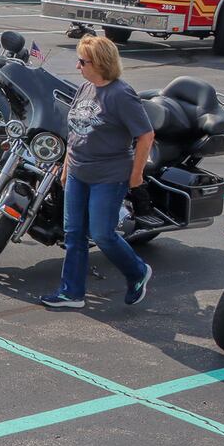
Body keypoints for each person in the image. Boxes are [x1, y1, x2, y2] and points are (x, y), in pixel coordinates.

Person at [42, 35, 155, 310]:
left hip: (109, 175)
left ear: (101, 63)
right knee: (73, 233)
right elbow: (76, 130)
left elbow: (146, 135)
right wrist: (67, 167)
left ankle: (138, 271)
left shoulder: (121, 94)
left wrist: (136, 174)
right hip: (79, 172)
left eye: (83, 61)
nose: (78, 66)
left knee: (102, 234)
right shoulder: (85, 88)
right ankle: (72, 293)